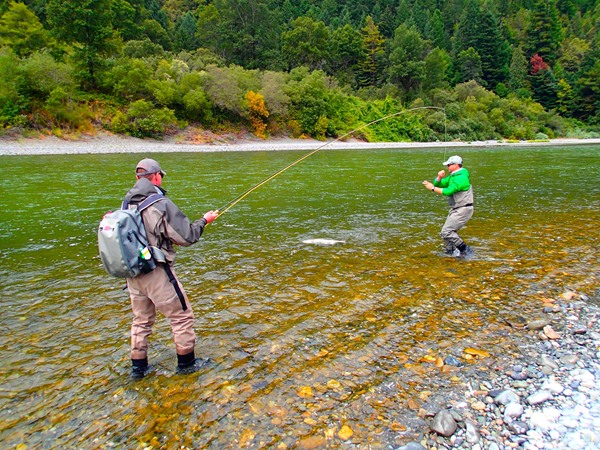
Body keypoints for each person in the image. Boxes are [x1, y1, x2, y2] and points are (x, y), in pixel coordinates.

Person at [124, 158, 218, 379]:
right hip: (155, 271)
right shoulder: (160, 203)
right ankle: (187, 365)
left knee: (141, 320)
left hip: (132, 272)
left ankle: (138, 369)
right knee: (182, 316)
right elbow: (187, 236)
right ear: (156, 176)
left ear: (138, 178)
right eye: (161, 176)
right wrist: (204, 220)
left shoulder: (127, 202)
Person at [422, 155, 474, 258]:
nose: (447, 167)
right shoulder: (453, 176)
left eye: (449, 165)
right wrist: (439, 177)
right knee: (445, 233)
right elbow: (440, 184)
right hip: (457, 208)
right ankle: (450, 253)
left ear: (456, 165)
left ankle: (465, 250)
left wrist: (432, 188)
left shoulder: (461, 178)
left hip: (464, 209)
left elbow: (448, 191)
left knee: (447, 232)